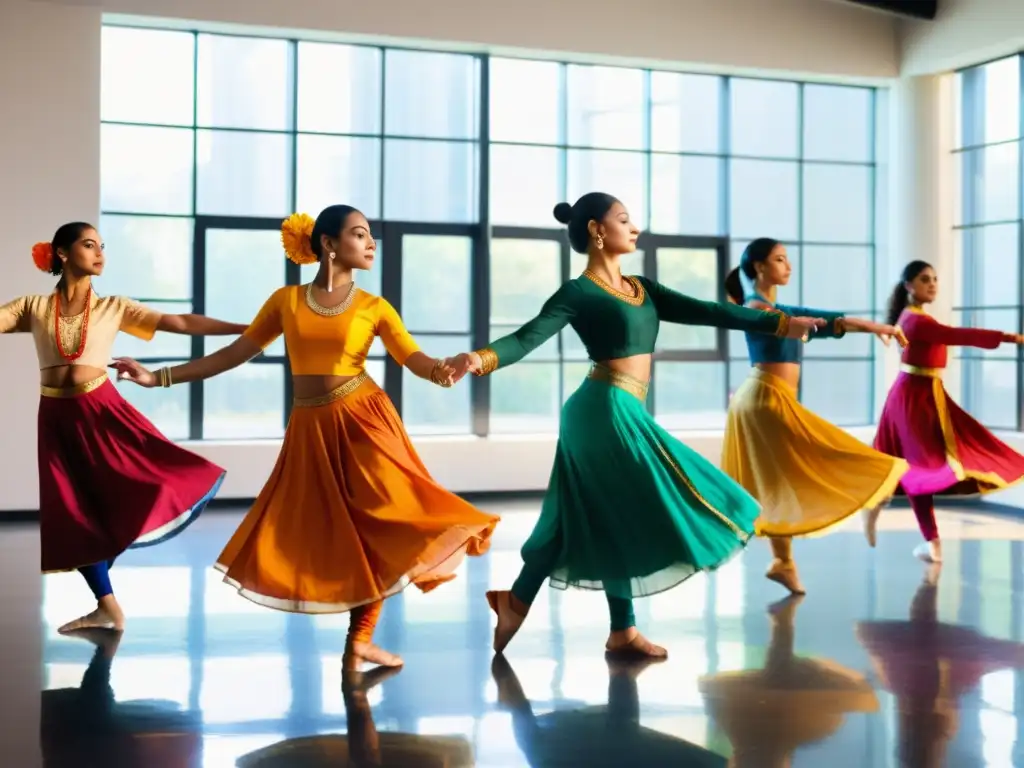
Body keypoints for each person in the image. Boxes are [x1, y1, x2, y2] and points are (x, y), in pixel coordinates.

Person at [111, 205, 500, 669]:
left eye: (370, 234)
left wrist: (444, 370)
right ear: (329, 245)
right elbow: (234, 354)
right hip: (310, 427)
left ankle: (362, 637)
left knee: (382, 519)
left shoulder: (375, 308)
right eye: (360, 234)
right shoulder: (286, 301)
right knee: (334, 530)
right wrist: (159, 378)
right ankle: (359, 641)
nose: (371, 242)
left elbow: (413, 359)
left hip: (365, 422)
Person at [446, 193, 826, 659]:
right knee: (634, 502)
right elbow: (527, 338)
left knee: (597, 515)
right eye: (624, 219)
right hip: (601, 410)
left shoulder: (642, 287)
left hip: (625, 409)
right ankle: (594, 621)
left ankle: (551, 610)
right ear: (596, 231)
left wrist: (781, 325)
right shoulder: (578, 292)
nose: (635, 227)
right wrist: (476, 359)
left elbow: (711, 311)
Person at [0, 223, 238, 634]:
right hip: (55, 418)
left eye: (102, 247)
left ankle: (105, 587)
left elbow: (180, 322)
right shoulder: (33, 307)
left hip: (102, 410)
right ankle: (106, 606)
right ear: (61, 253)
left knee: (142, 487)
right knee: (71, 512)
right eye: (89, 245)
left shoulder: (114, 306)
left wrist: (246, 330)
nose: (100, 254)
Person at [720, 238, 909, 595]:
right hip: (765, 399)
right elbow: (796, 323)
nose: (788, 266)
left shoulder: (775, 306)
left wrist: (876, 327)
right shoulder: (756, 307)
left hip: (768, 398)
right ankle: (874, 496)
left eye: (787, 259)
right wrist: (810, 324)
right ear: (759, 267)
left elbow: (827, 320)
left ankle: (784, 563)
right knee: (816, 457)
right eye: (779, 260)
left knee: (778, 480)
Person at [873, 260, 1024, 563]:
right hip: (913, 398)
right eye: (924, 279)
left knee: (947, 451)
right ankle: (917, 535)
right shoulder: (915, 320)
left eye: (935, 279)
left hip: (926, 394)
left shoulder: (917, 318)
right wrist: (1010, 337)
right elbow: (956, 335)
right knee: (915, 465)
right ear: (909, 286)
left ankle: (928, 541)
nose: (932, 284)